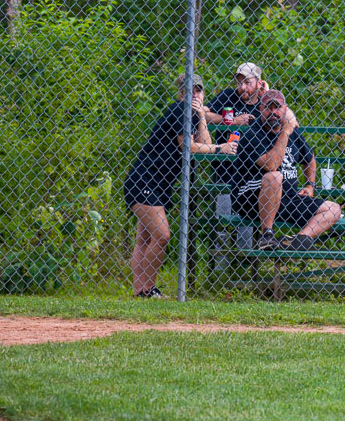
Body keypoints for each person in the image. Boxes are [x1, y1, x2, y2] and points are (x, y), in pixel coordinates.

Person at [123, 73, 237, 298]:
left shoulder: (193, 115)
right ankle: (147, 289)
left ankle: (141, 292)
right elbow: (189, 147)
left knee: (145, 238)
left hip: (160, 183)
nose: (194, 94)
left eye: (198, 90)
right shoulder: (179, 110)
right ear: (181, 93)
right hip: (144, 179)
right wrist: (220, 149)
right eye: (189, 90)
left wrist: (202, 115)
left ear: (203, 93)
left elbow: (204, 143)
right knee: (162, 235)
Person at [231, 89, 342, 251]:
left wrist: (310, 184)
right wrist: (286, 132)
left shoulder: (293, 133)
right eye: (269, 108)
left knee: (333, 209)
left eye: (278, 107)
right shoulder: (253, 135)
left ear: (285, 109)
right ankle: (267, 236)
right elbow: (271, 165)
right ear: (261, 109)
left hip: (286, 198)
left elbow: (309, 159)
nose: (273, 112)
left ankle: (299, 239)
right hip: (251, 200)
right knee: (274, 177)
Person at [203, 62, 269, 216]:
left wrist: (268, 93)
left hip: (253, 171)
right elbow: (203, 113)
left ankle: (249, 240)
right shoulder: (228, 96)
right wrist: (233, 121)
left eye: (247, 82)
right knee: (222, 220)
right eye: (239, 82)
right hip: (226, 168)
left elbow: (284, 119)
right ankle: (220, 239)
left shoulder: (265, 104)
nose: (243, 87)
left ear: (259, 83)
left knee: (246, 222)